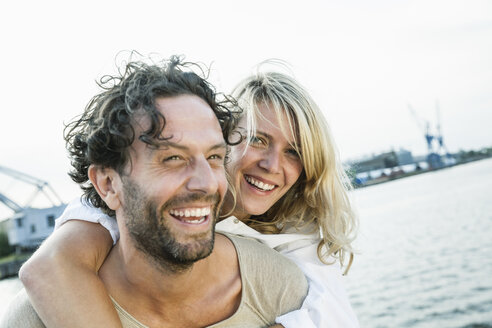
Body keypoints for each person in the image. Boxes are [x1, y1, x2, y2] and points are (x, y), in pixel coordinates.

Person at [17, 61, 360, 327]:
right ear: (224, 138)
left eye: (294, 152)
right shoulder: (131, 201)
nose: (272, 164)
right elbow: (50, 266)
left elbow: (332, 318)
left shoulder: (296, 247)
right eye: (258, 139)